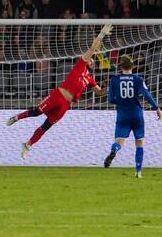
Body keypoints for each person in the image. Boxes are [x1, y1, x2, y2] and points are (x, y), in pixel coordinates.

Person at [7, 24, 112, 160]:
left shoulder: (90, 79)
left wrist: (109, 88)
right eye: (90, 57)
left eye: (93, 59)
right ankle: (16, 118)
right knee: (37, 112)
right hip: (58, 95)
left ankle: (27, 145)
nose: (91, 59)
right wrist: (101, 34)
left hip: (65, 105)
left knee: (46, 126)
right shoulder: (80, 64)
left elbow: (99, 92)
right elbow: (92, 48)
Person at [103, 55, 162, 178]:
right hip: (136, 114)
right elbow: (146, 94)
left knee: (119, 141)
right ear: (133, 66)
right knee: (139, 143)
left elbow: (110, 99)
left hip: (122, 115)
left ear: (120, 67)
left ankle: (115, 149)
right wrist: (156, 108)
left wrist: (120, 101)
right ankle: (138, 172)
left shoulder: (114, 80)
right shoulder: (138, 79)